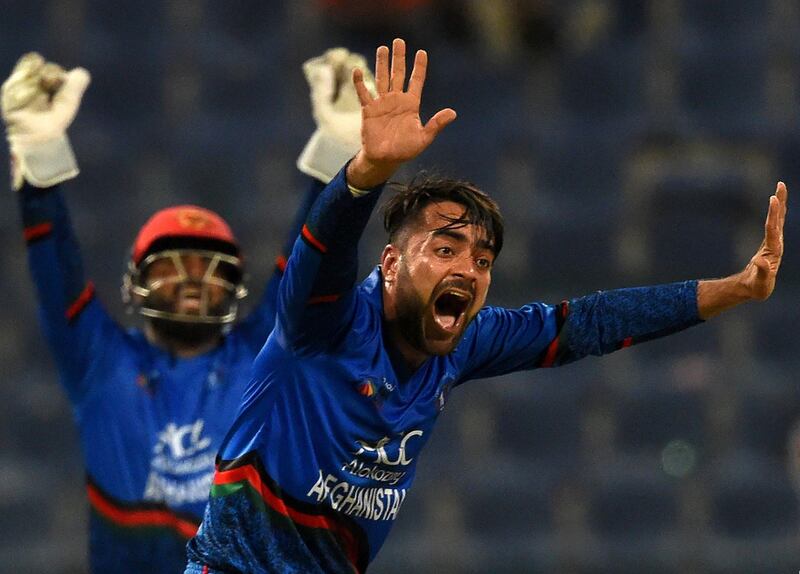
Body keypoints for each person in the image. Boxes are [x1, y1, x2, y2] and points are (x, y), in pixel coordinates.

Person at [185, 38, 788, 573]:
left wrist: (736, 287)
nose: (467, 270)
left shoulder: (464, 341)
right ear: (391, 264)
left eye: (481, 260)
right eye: (445, 247)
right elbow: (324, 246)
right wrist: (366, 173)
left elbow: (592, 324)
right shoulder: (321, 323)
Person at [3, 48, 375, 574]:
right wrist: (38, 159)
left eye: (210, 267)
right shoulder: (98, 362)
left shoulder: (263, 358)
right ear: (136, 281)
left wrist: (340, 156)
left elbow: (309, 261)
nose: (194, 280)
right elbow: (54, 272)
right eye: (171, 266)